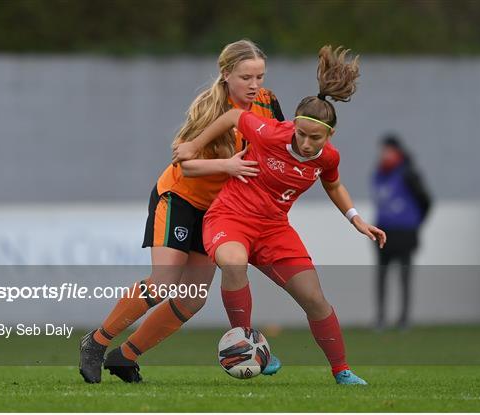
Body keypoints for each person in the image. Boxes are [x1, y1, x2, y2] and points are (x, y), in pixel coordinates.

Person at [173, 45, 386, 385]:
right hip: (230, 217)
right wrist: (195, 145)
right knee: (232, 261)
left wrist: (356, 219)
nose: (304, 142)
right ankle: (246, 344)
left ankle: (342, 371)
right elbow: (232, 117)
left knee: (315, 299)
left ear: (329, 136)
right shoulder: (271, 133)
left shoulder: (327, 157)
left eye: (314, 137)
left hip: (274, 229)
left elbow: (334, 186)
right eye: (300, 133)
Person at [79, 39, 285, 384]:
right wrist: (229, 166)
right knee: (162, 284)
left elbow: (283, 142)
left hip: (219, 210)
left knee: (191, 300)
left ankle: (124, 356)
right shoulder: (208, 107)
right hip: (179, 198)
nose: (254, 85)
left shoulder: (268, 102)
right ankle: (96, 343)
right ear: (226, 74)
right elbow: (185, 165)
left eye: (259, 77)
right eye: (246, 77)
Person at [372, 135, 431, 330]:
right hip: (383, 232)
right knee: (382, 275)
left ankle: (404, 319)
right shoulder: (379, 174)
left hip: (405, 233)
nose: (384, 154)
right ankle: (381, 318)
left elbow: (426, 200)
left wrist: (415, 223)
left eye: (388, 150)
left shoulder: (408, 174)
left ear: (397, 152)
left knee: (404, 276)